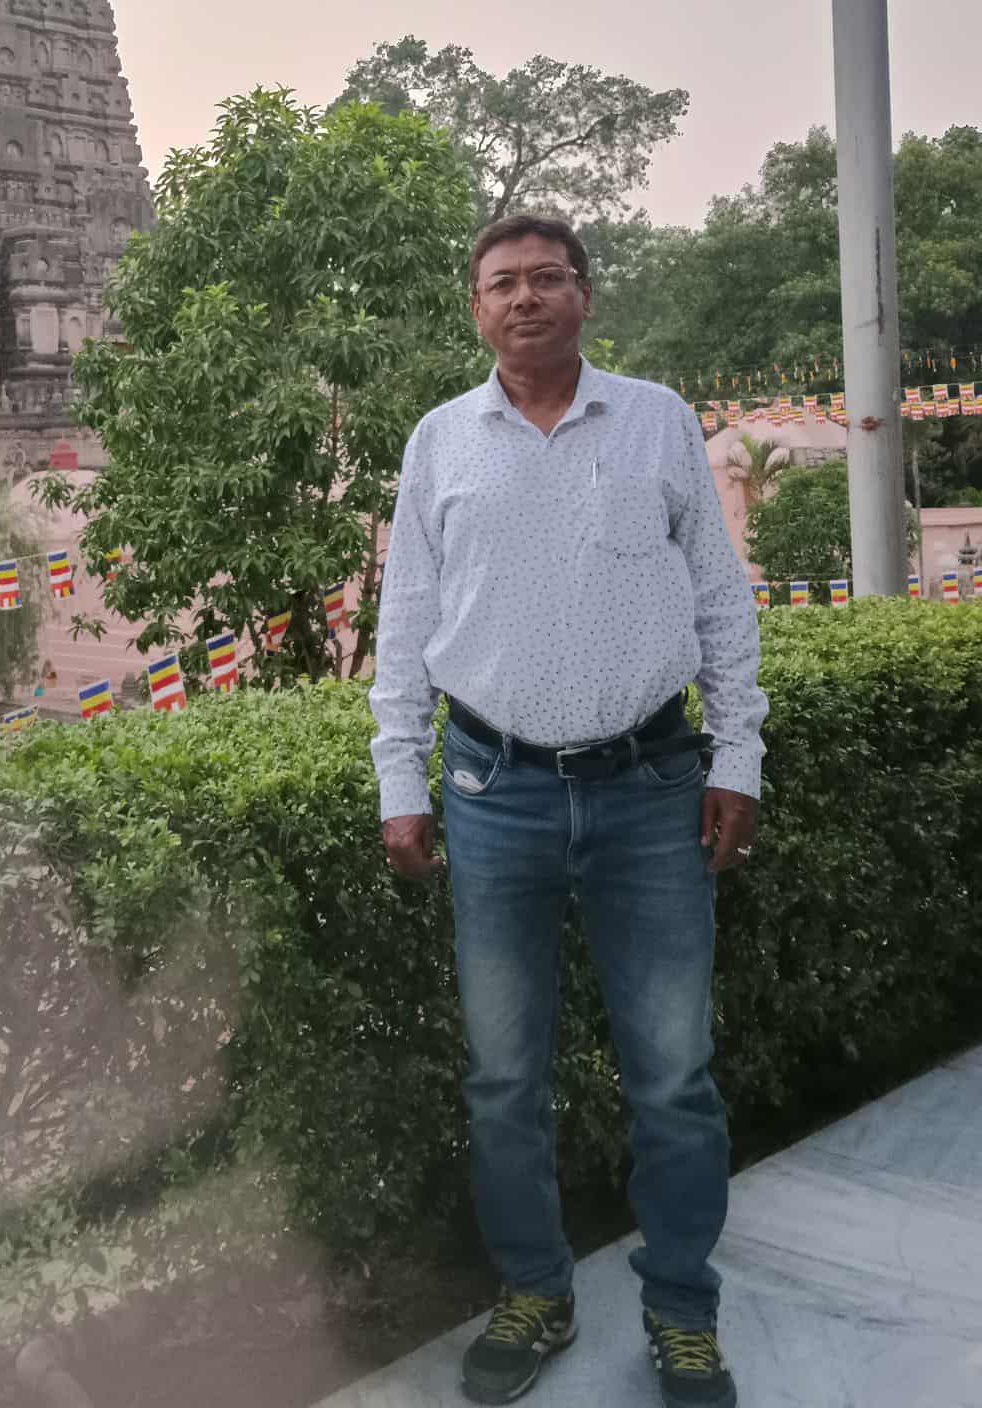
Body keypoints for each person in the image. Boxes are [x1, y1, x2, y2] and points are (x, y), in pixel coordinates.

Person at [369, 214, 765, 1408]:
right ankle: (535, 1290)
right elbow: (406, 623)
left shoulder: (654, 419)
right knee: (503, 1073)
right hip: (495, 791)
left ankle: (682, 1308)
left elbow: (717, 599)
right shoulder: (441, 441)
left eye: (548, 277)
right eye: (503, 283)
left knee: (675, 1071)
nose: (526, 296)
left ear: (586, 295)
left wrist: (736, 752)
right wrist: (403, 777)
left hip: (652, 786)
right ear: (476, 309)